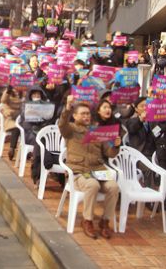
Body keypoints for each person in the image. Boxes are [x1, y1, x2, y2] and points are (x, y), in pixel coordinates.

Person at [58, 95, 121, 239]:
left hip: (98, 170)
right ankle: (87, 221)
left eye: (88, 113)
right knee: (92, 185)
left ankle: (105, 221)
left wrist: (116, 146)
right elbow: (62, 124)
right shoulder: (71, 129)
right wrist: (67, 107)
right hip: (80, 171)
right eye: (83, 113)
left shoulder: (97, 131)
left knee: (114, 187)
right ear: (75, 116)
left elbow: (109, 153)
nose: (86, 116)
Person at [1, 86, 24, 161]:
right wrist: (8, 90)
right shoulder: (9, 91)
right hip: (10, 117)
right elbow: (3, 100)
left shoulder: (23, 91)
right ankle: (12, 149)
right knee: (16, 128)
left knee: (27, 128)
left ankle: (26, 151)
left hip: (21, 117)